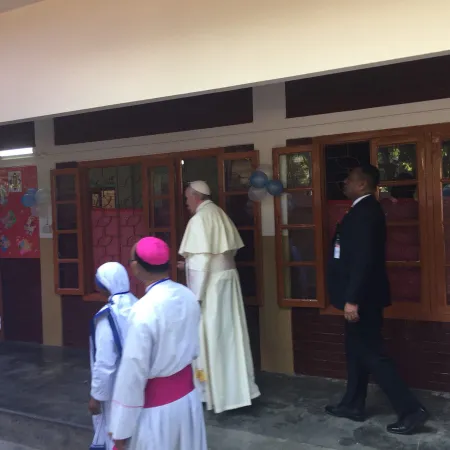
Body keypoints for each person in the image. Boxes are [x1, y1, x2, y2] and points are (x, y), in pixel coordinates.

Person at [325, 164, 429, 435]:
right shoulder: (361, 209)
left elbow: (363, 261)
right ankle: (353, 404)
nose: (344, 184)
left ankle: (410, 410)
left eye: (348, 180)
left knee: (372, 353)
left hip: (362, 299)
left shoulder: (366, 212)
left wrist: (352, 299)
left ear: (362, 185)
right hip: (360, 296)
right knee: (356, 350)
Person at [109, 237, 207, 450]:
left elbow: (133, 374)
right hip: (189, 399)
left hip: (157, 411)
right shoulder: (188, 295)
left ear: (136, 267)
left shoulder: (143, 310)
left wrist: (120, 430)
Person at [178, 180, 260, 414]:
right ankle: (237, 390)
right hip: (227, 282)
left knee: (212, 337)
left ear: (196, 197)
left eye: (187, 199)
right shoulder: (219, 213)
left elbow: (201, 262)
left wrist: (195, 298)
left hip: (211, 288)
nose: (186, 204)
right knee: (230, 336)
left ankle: (211, 392)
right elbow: (222, 253)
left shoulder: (199, 219)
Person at [88, 262, 138, 450]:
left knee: (116, 433)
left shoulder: (108, 316)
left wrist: (96, 396)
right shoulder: (139, 303)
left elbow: (105, 362)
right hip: (140, 384)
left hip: (116, 388)